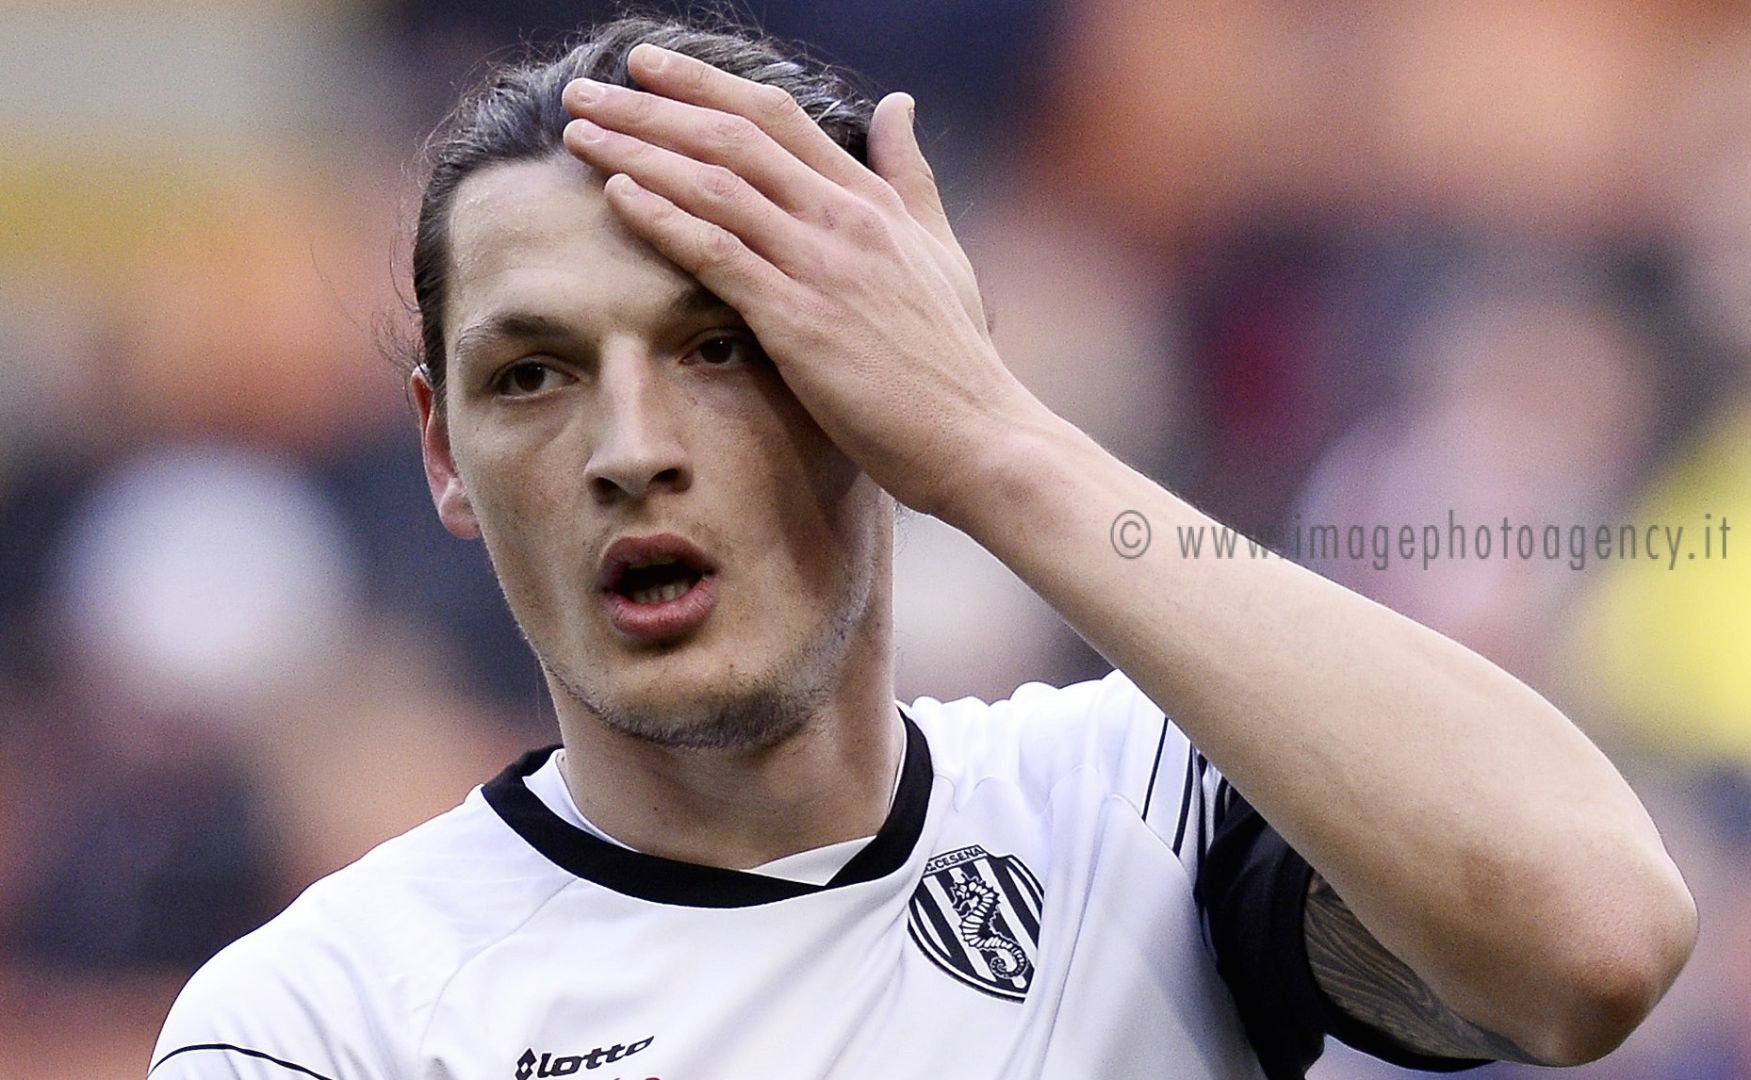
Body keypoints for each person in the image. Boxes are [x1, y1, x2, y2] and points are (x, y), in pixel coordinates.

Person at [148, 13, 1696, 1079]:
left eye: (722, 346)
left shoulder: (1136, 808)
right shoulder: (325, 1020)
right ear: (443, 451)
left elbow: (1597, 941)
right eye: (532, 376)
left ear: (881, 375)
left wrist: (996, 438)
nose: (629, 448)